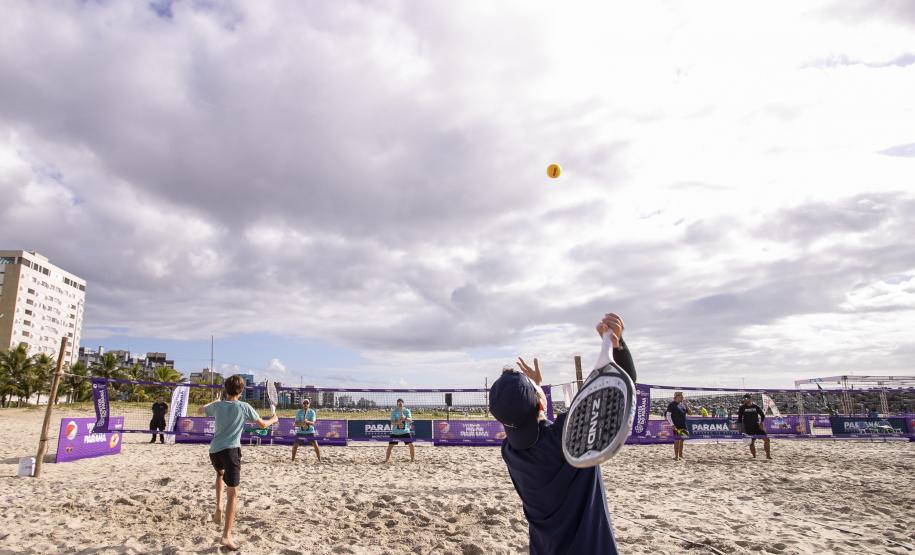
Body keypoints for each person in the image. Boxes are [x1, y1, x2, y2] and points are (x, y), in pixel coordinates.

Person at [490, 312, 635, 554]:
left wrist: (535, 390)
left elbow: (537, 429)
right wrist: (616, 345)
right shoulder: (568, 438)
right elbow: (621, 392)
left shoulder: (510, 453)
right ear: (540, 403)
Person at [199, 375, 278, 551]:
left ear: (225, 389)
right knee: (233, 493)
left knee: (220, 474)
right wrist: (274, 419)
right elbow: (263, 425)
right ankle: (226, 536)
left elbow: (199, 410)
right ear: (241, 391)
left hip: (214, 451)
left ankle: (218, 508)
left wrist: (215, 400)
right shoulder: (244, 406)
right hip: (231, 451)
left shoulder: (218, 405)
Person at [737, 394, 771, 459]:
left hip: (757, 426)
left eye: (746, 398)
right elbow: (739, 419)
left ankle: (768, 456)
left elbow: (762, 415)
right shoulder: (742, 407)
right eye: (744, 399)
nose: (745, 400)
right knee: (751, 443)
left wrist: (761, 423)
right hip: (748, 428)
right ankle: (754, 457)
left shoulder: (755, 406)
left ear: (750, 399)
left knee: (767, 440)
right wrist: (741, 428)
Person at [384, 398, 414, 463]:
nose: (400, 405)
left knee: (411, 445)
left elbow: (410, 421)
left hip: (405, 431)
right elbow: (392, 422)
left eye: (401, 403)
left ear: (403, 404)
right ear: (397, 404)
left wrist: (405, 418)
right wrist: (398, 422)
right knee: (390, 446)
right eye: (399, 404)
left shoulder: (407, 411)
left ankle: (412, 460)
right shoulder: (394, 411)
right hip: (395, 432)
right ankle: (386, 460)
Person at [665, 392, 690, 460]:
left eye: (682, 396)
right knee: (677, 440)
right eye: (681, 396)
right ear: (676, 397)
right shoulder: (671, 404)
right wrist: (672, 425)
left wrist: (686, 405)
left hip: (683, 425)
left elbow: (690, 413)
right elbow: (668, 416)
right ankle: (676, 456)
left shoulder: (682, 405)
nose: (682, 397)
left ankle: (680, 455)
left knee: (682, 440)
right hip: (676, 425)